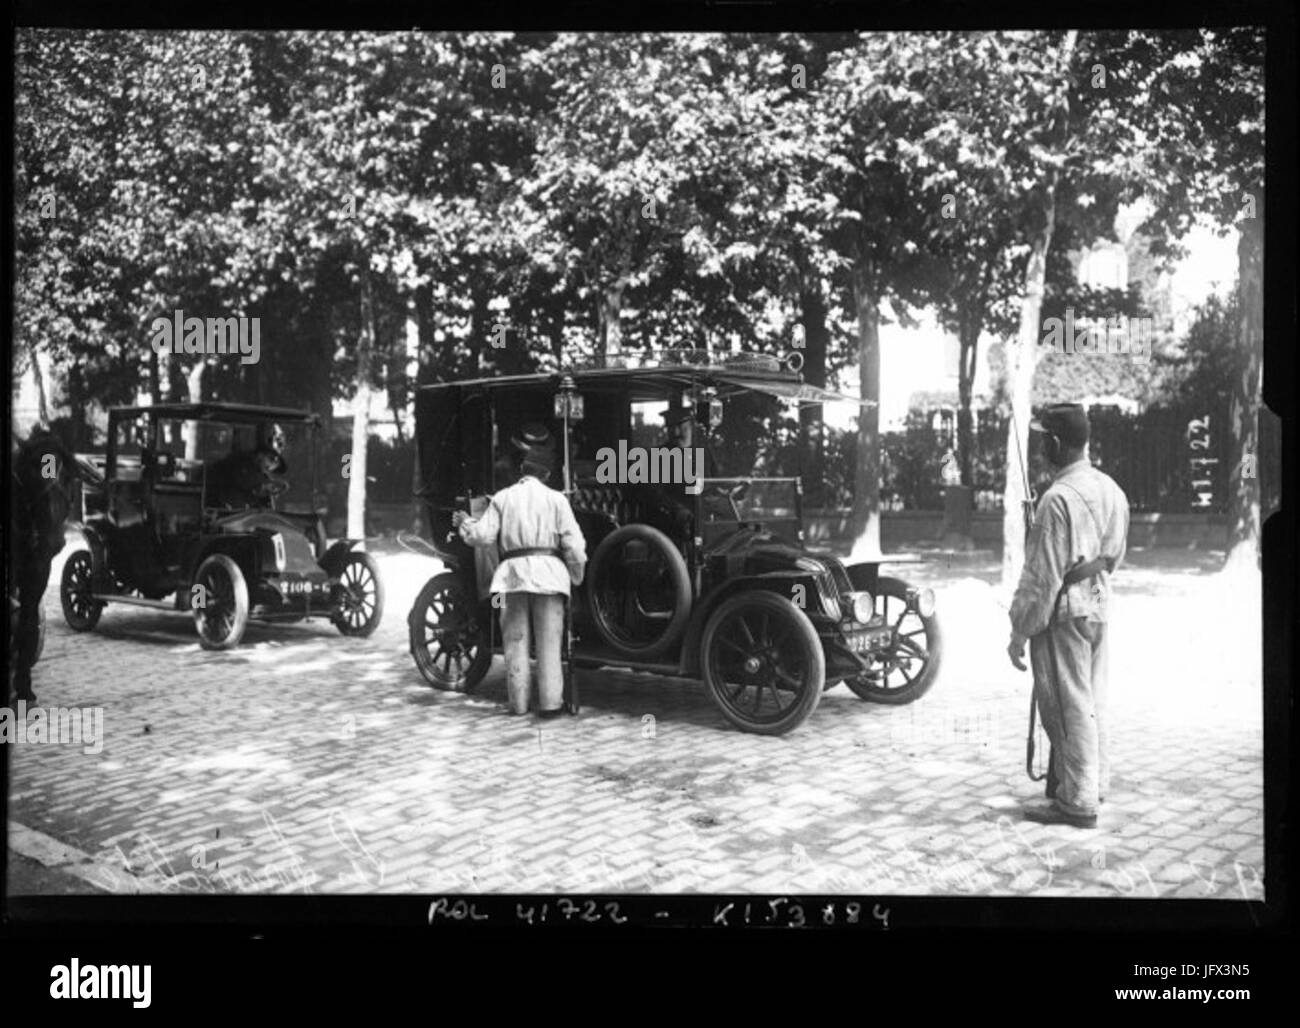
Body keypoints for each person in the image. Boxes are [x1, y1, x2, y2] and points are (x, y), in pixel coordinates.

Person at [1008, 403, 1130, 828]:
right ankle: (1093, 784)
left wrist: (1019, 631)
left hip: (1063, 612)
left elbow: (1041, 577)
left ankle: (1077, 801)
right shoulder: (1112, 489)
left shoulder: (1056, 499)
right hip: (1099, 604)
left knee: (1068, 705)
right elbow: (1114, 555)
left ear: (1057, 443)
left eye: (1044, 440)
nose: (1041, 450)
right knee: (1093, 701)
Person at [453, 423, 587, 718]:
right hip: (550, 577)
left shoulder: (503, 498)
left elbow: (482, 537)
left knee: (515, 642)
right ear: (547, 475)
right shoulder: (558, 500)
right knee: (550, 644)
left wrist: (465, 522)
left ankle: (519, 705)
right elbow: (575, 547)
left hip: (511, 577)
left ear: (522, 469)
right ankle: (551, 705)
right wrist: (574, 577)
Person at [208, 423, 287, 508]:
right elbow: (243, 480)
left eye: (276, 464)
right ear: (260, 454)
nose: (271, 465)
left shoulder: (265, 483)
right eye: (271, 459)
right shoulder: (237, 465)